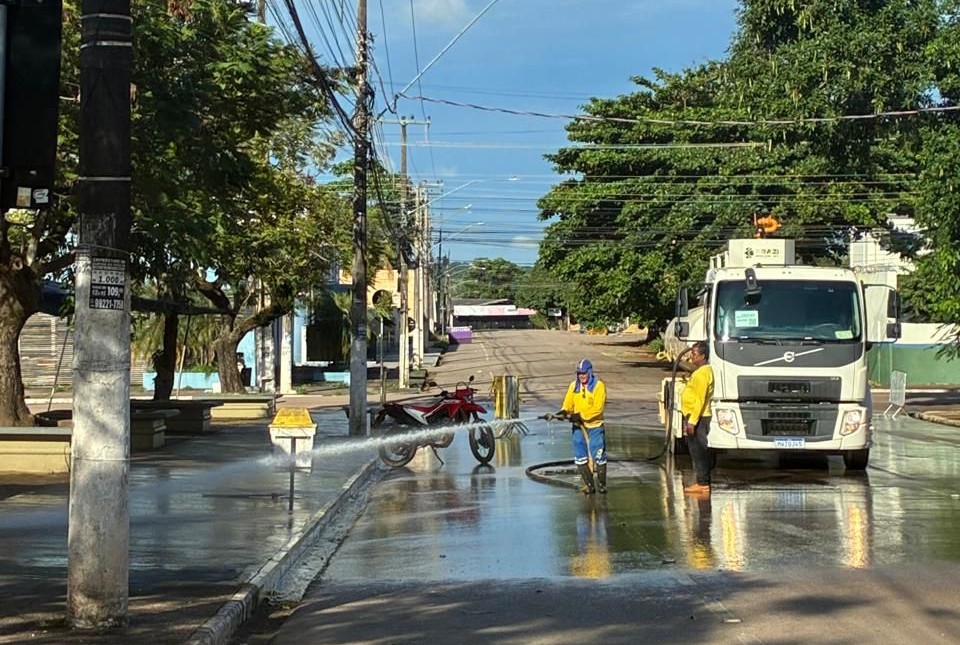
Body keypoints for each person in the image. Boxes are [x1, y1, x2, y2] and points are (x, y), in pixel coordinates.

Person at [557, 358, 607, 494]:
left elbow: (598, 408)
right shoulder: (574, 386)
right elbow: (568, 404)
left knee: (598, 455)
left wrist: (582, 415)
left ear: (590, 372)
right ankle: (589, 485)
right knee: (580, 456)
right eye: (579, 374)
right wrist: (564, 412)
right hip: (578, 427)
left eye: (584, 373)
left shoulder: (598, 386)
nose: (582, 376)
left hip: (595, 426)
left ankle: (602, 484)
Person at [682, 341, 714, 496]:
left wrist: (692, 422)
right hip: (696, 415)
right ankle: (702, 481)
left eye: (694, 354)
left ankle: (703, 483)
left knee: (698, 451)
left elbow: (700, 399)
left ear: (702, 356)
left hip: (698, 417)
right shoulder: (702, 371)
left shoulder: (702, 374)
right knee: (696, 450)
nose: (691, 356)